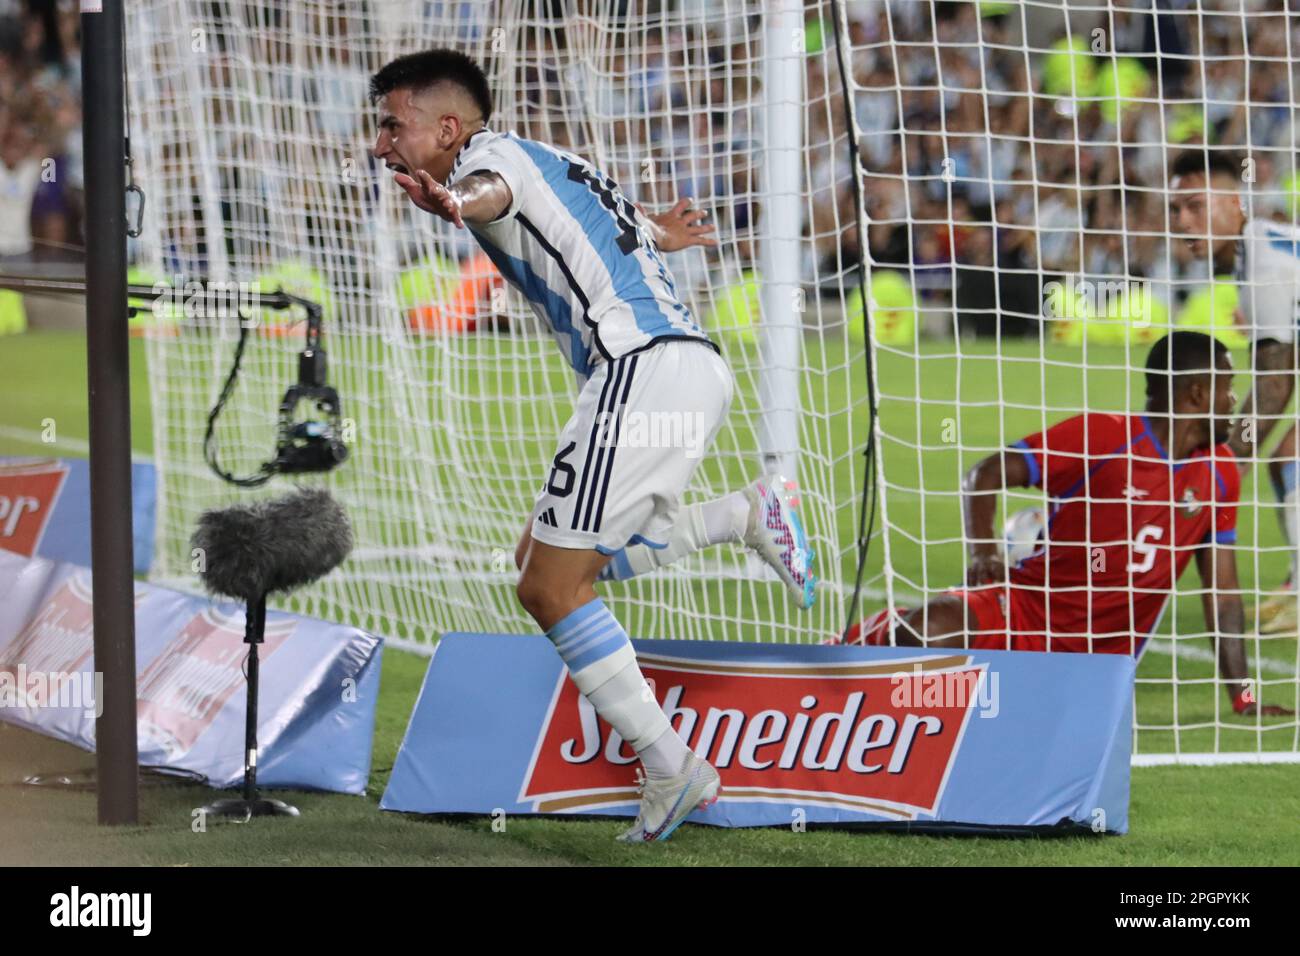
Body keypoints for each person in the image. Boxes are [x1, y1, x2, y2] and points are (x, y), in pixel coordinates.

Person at [368, 49, 817, 842]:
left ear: (447, 127)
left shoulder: (490, 162)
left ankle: (671, 764)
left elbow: (489, 193)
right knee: (541, 564)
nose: (380, 145)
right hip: (687, 371)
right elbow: (599, 217)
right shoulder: (556, 158)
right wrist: (660, 233)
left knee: (548, 590)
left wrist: (454, 203)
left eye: (391, 126)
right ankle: (742, 516)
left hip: (636, 372)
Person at [843, 332, 1291, 717]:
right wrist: (983, 551)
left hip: (1097, 670)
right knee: (926, 632)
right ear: (1195, 394)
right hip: (1023, 614)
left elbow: (1223, 596)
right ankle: (857, 649)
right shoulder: (1104, 437)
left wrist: (1245, 698)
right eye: (1227, 388)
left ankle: (986, 687)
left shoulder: (1220, 474)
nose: (1234, 402)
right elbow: (985, 474)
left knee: (995, 706)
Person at [1169, 149, 1299, 633]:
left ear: (1233, 201)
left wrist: (1224, 465)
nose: (1183, 221)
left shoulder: (1261, 262)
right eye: (1176, 209)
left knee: (1290, 457)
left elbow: (1274, 385)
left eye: (1196, 207)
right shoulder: (1257, 250)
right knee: (1289, 458)